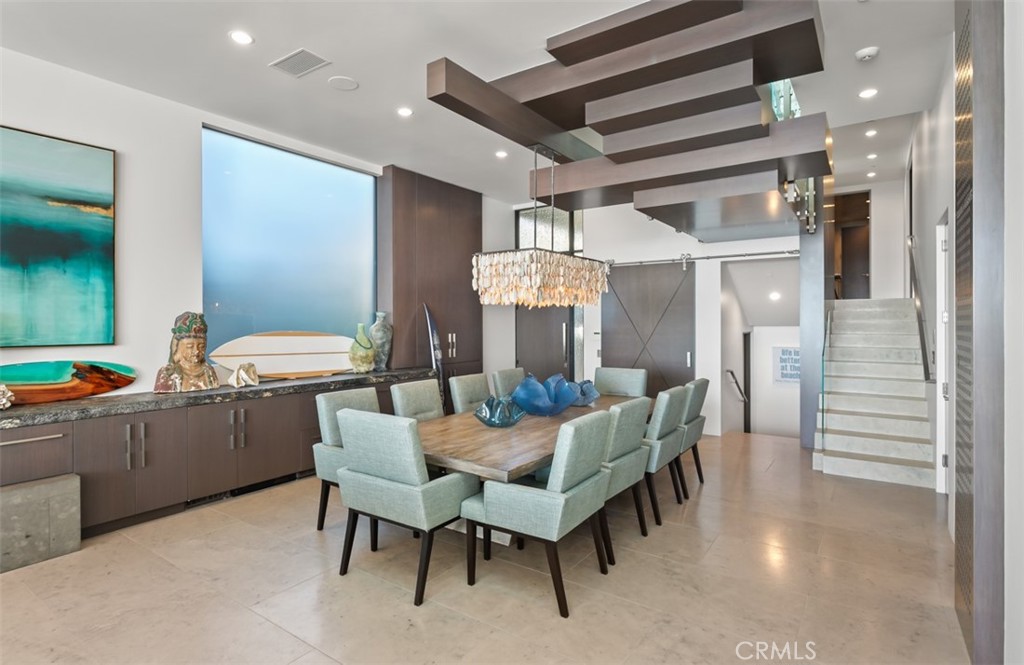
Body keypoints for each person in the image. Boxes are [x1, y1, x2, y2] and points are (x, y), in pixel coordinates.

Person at [153, 311, 219, 393]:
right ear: (178, 346)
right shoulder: (167, 374)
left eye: (201, 346)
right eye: (190, 346)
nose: (196, 351)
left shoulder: (209, 371)